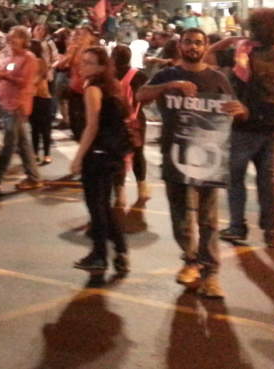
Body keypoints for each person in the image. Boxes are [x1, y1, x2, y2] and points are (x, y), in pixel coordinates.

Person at [137, 28, 247, 299]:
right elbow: (140, 95)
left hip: (209, 158)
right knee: (181, 217)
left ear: (206, 46)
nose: (193, 47)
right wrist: (168, 87)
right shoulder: (167, 74)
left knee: (208, 219)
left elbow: (235, 109)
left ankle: (211, 274)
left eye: (198, 43)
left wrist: (241, 110)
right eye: (188, 42)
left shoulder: (218, 78)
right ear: (180, 46)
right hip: (175, 155)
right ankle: (190, 260)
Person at [220, 8, 274, 249]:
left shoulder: (243, 55)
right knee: (270, 180)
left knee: (235, 178)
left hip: (246, 126)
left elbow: (210, 60)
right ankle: (272, 232)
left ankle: (237, 226)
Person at [69, 47, 130, 276]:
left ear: (102, 67)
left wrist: (78, 156)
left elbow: (92, 125)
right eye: (82, 61)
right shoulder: (113, 87)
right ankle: (120, 250)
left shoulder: (93, 89)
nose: (82, 66)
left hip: (98, 154)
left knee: (96, 207)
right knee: (104, 204)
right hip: (113, 153)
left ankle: (99, 254)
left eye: (89, 63)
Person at [0, 26, 42, 192]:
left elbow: (24, 81)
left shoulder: (29, 58)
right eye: (9, 37)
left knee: (9, 144)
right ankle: (34, 177)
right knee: (23, 143)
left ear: (25, 40)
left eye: (15, 37)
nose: (11, 41)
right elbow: (3, 72)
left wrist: (4, 76)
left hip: (17, 105)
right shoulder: (9, 56)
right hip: (6, 104)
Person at [111, 44, 149, 207]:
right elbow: (146, 98)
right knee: (138, 154)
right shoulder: (139, 75)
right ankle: (142, 188)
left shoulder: (108, 75)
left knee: (117, 156)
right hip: (136, 120)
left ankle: (120, 193)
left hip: (114, 121)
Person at [28, 39, 55, 166]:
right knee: (35, 128)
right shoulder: (27, 62)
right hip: (33, 98)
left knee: (45, 129)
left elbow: (41, 77)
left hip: (43, 98)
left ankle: (47, 154)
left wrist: (30, 84)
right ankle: (34, 152)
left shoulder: (40, 62)